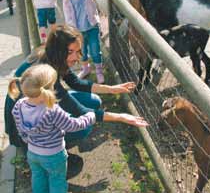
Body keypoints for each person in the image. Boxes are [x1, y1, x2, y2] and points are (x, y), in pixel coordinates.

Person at [9, 64, 148, 193]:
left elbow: (21, 130)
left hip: (33, 153)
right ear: (49, 88)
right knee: (57, 180)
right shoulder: (52, 110)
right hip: (54, 155)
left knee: (38, 178)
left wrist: (28, 139)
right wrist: (90, 116)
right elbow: (73, 125)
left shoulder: (19, 105)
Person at [4, 25, 136, 150]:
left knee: (94, 101)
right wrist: (121, 117)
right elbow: (80, 110)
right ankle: (50, 149)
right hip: (24, 135)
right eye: (70, 51)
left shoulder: (53, 56)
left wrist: (112, 89)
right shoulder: (46, 74)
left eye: (78, 51)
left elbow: (76, 82)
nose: (76, 57)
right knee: (84, 127)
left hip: (36, 107)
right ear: (60, 50)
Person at [63, 0, 115, 84]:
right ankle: (85, 69)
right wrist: (72, 30)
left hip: (92, 26)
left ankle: (98, 71)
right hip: (78, 31)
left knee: (95, 50)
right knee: (82, 51)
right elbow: (68, 16)